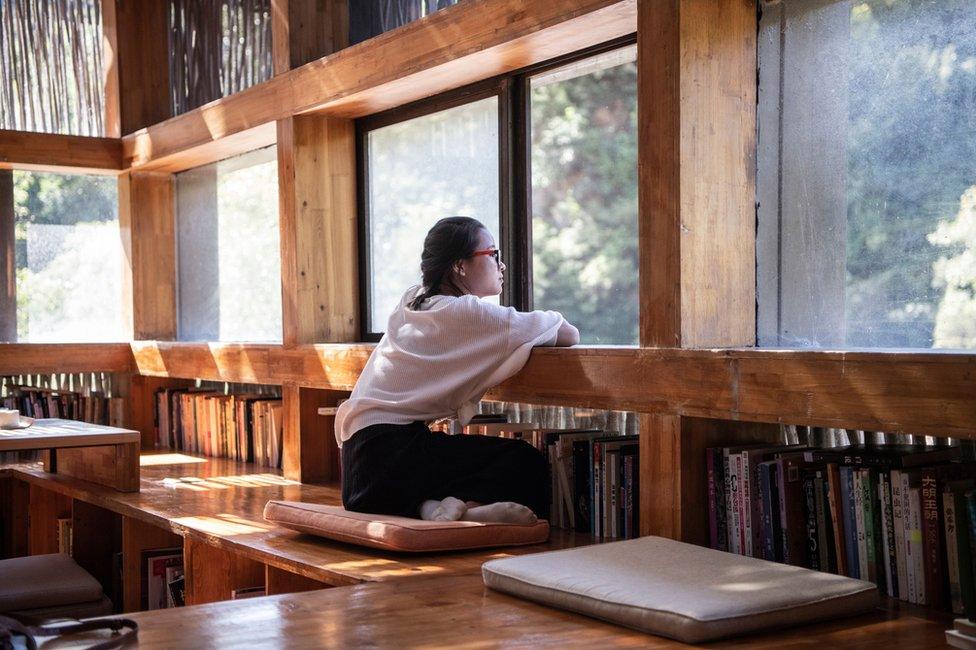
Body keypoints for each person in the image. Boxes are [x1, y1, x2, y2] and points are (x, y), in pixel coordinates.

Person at [335, 216, 580, 524]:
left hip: (359, 471)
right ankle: (467, 508)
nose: (501, 266)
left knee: (456, 462)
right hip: (392, 453)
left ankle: (437, 508)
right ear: (459, 266)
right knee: (525, 461)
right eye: (493, 254)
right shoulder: (465, 312)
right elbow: (569, 333)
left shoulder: (411, 301)